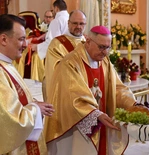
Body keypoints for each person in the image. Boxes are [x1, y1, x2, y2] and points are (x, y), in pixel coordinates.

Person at [44, 26, 137, 155]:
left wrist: (133, 104)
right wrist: (95, 114)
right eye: (101, 47)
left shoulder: (105, 62)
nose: (104, 52)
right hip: (77, 126)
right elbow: (73, 96)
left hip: (103, 121)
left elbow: (117, 88)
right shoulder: (70, 63)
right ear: (88, 42)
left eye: (107, 47)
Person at [0, 14, 54, 154]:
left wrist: (35, 104)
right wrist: (36, 109)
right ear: (4, 39)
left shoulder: (7, 65)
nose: (26, 45)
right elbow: (10, 120)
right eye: (21, 39)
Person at [44, 9, 86, 100]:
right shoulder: (57, 44)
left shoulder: (88, 43)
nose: (78, 26)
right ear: (68, 23)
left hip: (87, 92)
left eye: (81, 24)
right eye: (75, 23)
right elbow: (54, 71)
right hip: (65, 93)